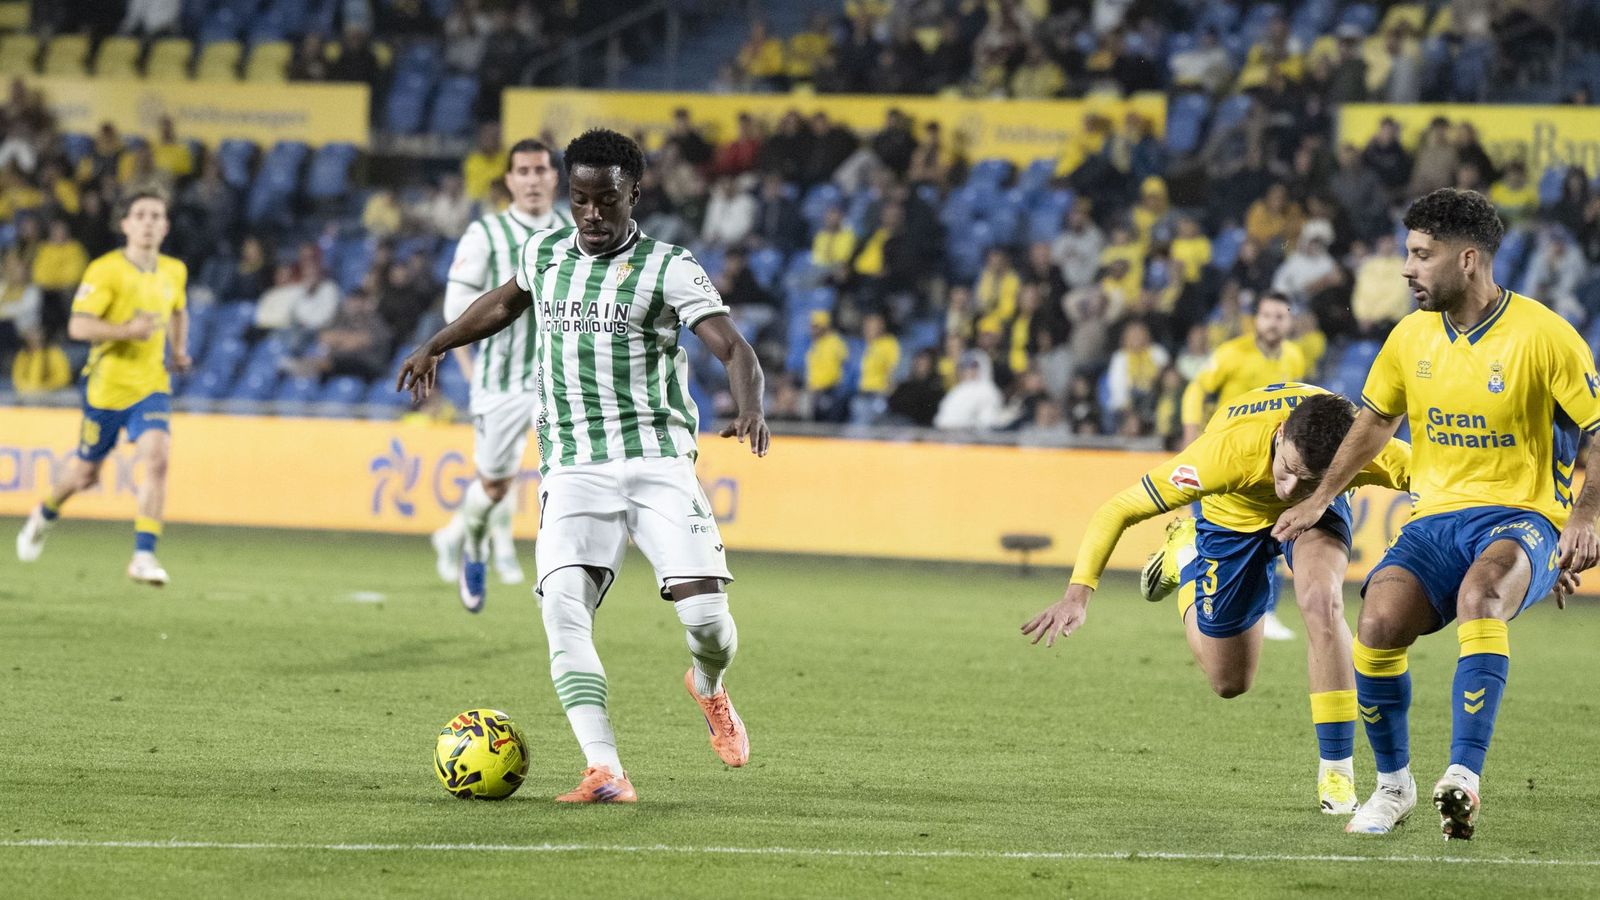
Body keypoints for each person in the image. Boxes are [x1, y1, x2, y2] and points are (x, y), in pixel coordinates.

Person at [397, 128, 769, 804]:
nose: (592, 216)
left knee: (708, 623)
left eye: (607, 201)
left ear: (635, 194)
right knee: (562, 609)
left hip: (657, 460)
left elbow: (733, 347)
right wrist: (437, 343)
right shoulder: (544, 255)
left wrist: (751, 407)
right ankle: (605, 769)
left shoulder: (669, 266)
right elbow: (502, 304)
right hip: (572, 466)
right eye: (580, 201)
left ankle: (708, 686)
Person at [1274, 189, 1600, 840]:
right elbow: (1371, 425)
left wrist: (1584, 516)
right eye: (1408, 252)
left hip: (1522, 517)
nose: (1407, 268)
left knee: (1483, 595)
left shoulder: (1545, 336)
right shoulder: (1409, 339)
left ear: (1469, 260)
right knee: (1378, 621)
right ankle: (1394, 786)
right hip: (1435, 521)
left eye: (1423, 255)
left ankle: (1463, 779)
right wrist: (1318, 496)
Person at [1024, 384, 1412, 816]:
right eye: (1287, 469)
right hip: (1231, 523)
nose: (1287, 489)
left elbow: (1451, 479)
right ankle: (1185, 556)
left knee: (1323, 601)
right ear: (1280, 434)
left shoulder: (1363, 449)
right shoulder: (1224, 455)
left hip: (1314, 518)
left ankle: (1337, 772)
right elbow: (1118, 509)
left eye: (1308, 480)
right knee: (1229, 682)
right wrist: (1078, 594)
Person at [16, 186, 190, 585]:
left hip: (151, 385)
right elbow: (78, 326)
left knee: (158, 458)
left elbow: (179, 310)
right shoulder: (105, 270)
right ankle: (44, 512)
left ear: (165, 227)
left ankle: (143, 555)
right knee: (85, 476)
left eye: (156, 216)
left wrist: (179, 351)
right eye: (141, 215)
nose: (148, 222)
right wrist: (127, 331)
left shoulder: (174, 271)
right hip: (107, 387)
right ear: (126, 224)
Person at [428, 139, 575, 608]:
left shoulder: (578, 232)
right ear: (509, 180)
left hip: (562, 382)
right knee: (493, 485)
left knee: (571, 480)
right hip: (501, 380)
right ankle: (472, 542)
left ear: (555, 178)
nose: (532, 179)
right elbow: (456, 307)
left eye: (541, 170)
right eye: (523, 171)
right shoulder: (484, 235)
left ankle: (558, 578)